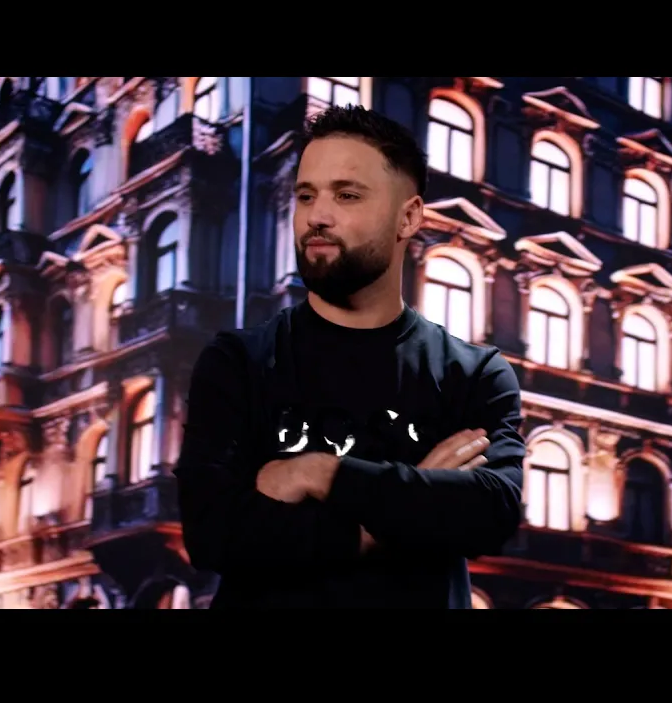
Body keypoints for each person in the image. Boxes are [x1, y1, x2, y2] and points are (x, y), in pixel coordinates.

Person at [174, 104, 526, 608]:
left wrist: (316, 473)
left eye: (347, 195)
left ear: (408, 217)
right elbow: (212, 533)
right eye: (306, 195)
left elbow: (490, 514)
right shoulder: (238, 362)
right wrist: (416, 499)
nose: (317, 216)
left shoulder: (473, 373)